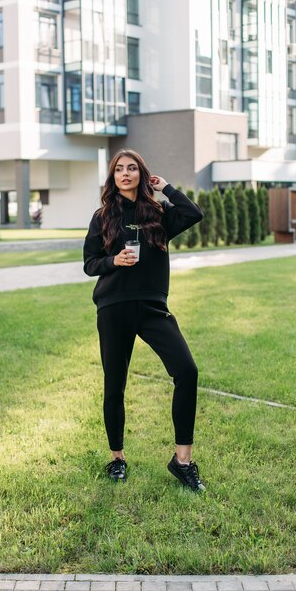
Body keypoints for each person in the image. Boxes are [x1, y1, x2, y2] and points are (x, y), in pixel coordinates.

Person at [83, 149, 206, 491]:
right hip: (114, 307)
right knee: (115, 383)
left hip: (153, 307)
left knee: (187, 370)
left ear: (141, 174)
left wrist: (166, 188)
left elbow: (193, 213)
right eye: (119, 169)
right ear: (113, 177)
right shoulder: (102, 216)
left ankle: (183, 461)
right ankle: (117, 458)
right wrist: (113, 262)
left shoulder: (158, 212)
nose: (125, 174)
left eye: (132, 168)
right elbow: (90, 263)